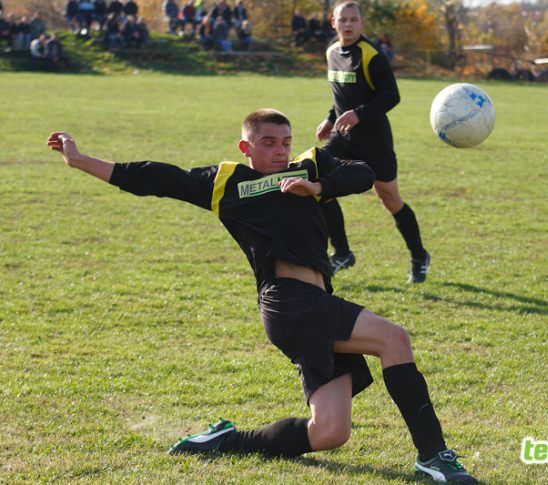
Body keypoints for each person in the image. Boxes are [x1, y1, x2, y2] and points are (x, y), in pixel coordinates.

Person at [46, 109, 477, 484]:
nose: (280, 150)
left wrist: (319, 187)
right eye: (268, 142)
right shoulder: (228, 182)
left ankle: (225, 441)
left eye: (285, 141)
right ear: (246, 147)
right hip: (288, 302)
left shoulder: (310, 166)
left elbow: (362, 173)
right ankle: (433, 457)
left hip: (314, 304)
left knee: (329, 432)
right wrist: (80, 160)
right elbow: (157, 178)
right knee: (393, 339)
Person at [316, 1, 430, 283]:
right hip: (342, 136)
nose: (348, 25)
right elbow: (341, 96)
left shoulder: (371, 55)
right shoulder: (332, 52)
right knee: (318, 182)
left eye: (354, 20)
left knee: (390, 199)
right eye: (343, 20)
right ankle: (342, 252)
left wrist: (359, 114)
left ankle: (419, 256)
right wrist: (331, 119)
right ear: (334, 23)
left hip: (374, 140)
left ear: (361, 23)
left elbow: (391, 96)